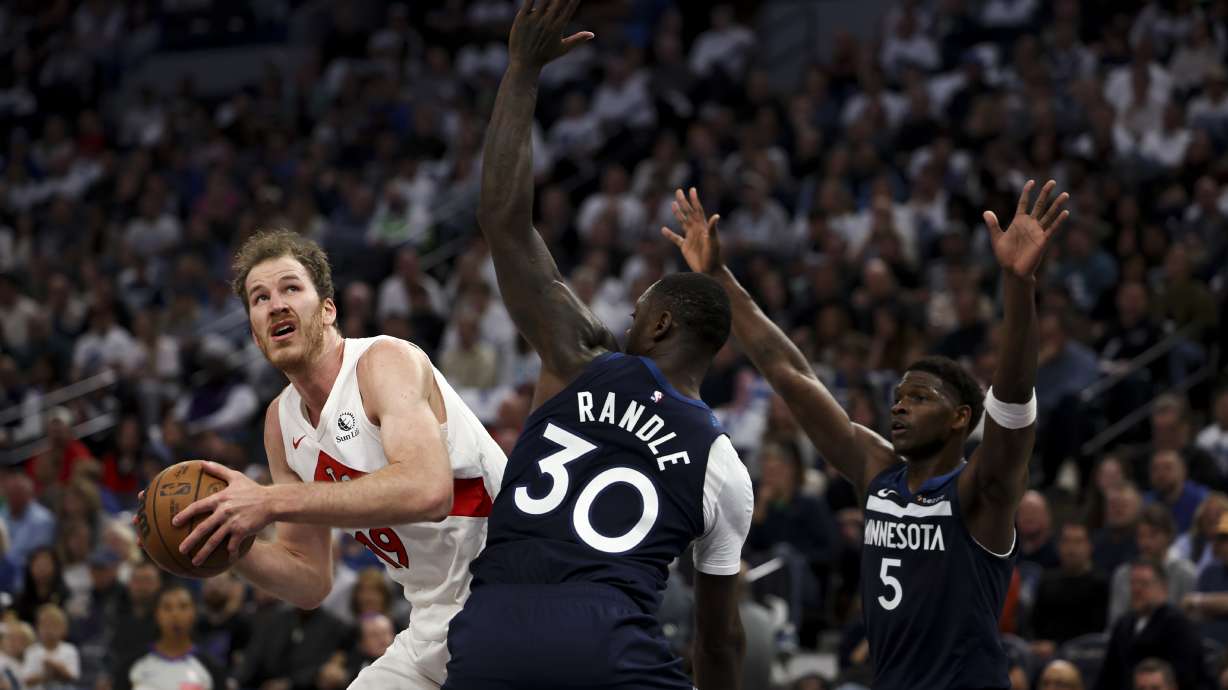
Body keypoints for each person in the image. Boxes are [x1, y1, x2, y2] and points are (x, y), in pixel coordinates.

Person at [443, 3, 754, 689]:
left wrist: (521, 72)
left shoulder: (580, 360)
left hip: (491, 633)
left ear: (663, 326)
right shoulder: (723, 464)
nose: (629, 317)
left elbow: (503, 219)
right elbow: (721, 639)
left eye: (640, 309)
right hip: (606, 649)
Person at [666, 172, 1069, 687]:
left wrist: (1018, 284)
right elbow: (790, 373)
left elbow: (1012, 404)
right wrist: (720, 278)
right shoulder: (876, 470)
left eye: (920, 398)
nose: (899, 407)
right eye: (898, 397)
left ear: (961, 417)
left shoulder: (979, 493)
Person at [163, 227, 508, 690]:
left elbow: (429, 491)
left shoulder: (382, 362)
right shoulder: (279, 424)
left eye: (291, 288)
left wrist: (271, 501)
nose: (277, 304)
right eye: (260, 298)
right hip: (434, 618)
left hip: (509, 587)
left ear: (327, 310)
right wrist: (227, 542)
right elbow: (309, 582)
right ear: (255, 332)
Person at [1095, 562, 1211, 690]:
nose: (1136, 589)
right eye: (1133, 583)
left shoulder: (1177, 624)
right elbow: (1107, 675)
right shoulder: (1124, 624)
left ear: (1163, 588)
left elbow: (1186, 677)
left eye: (1144, 583)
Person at [117, 585, 224, 690]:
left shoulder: (211, 668)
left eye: (183, 606)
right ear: (156, 614)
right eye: (167, 607)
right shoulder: (133, 664)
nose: (175, 614)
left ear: (194, 613)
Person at [21, 604, 78, 690]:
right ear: (38, 628)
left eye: (54, 625)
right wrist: (46, 675)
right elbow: (27, 680)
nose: (49, 630)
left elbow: (72, 677)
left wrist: (57, 668)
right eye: (45, 625)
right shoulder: (32, 651)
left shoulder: (69, 650)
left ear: (64, 629)